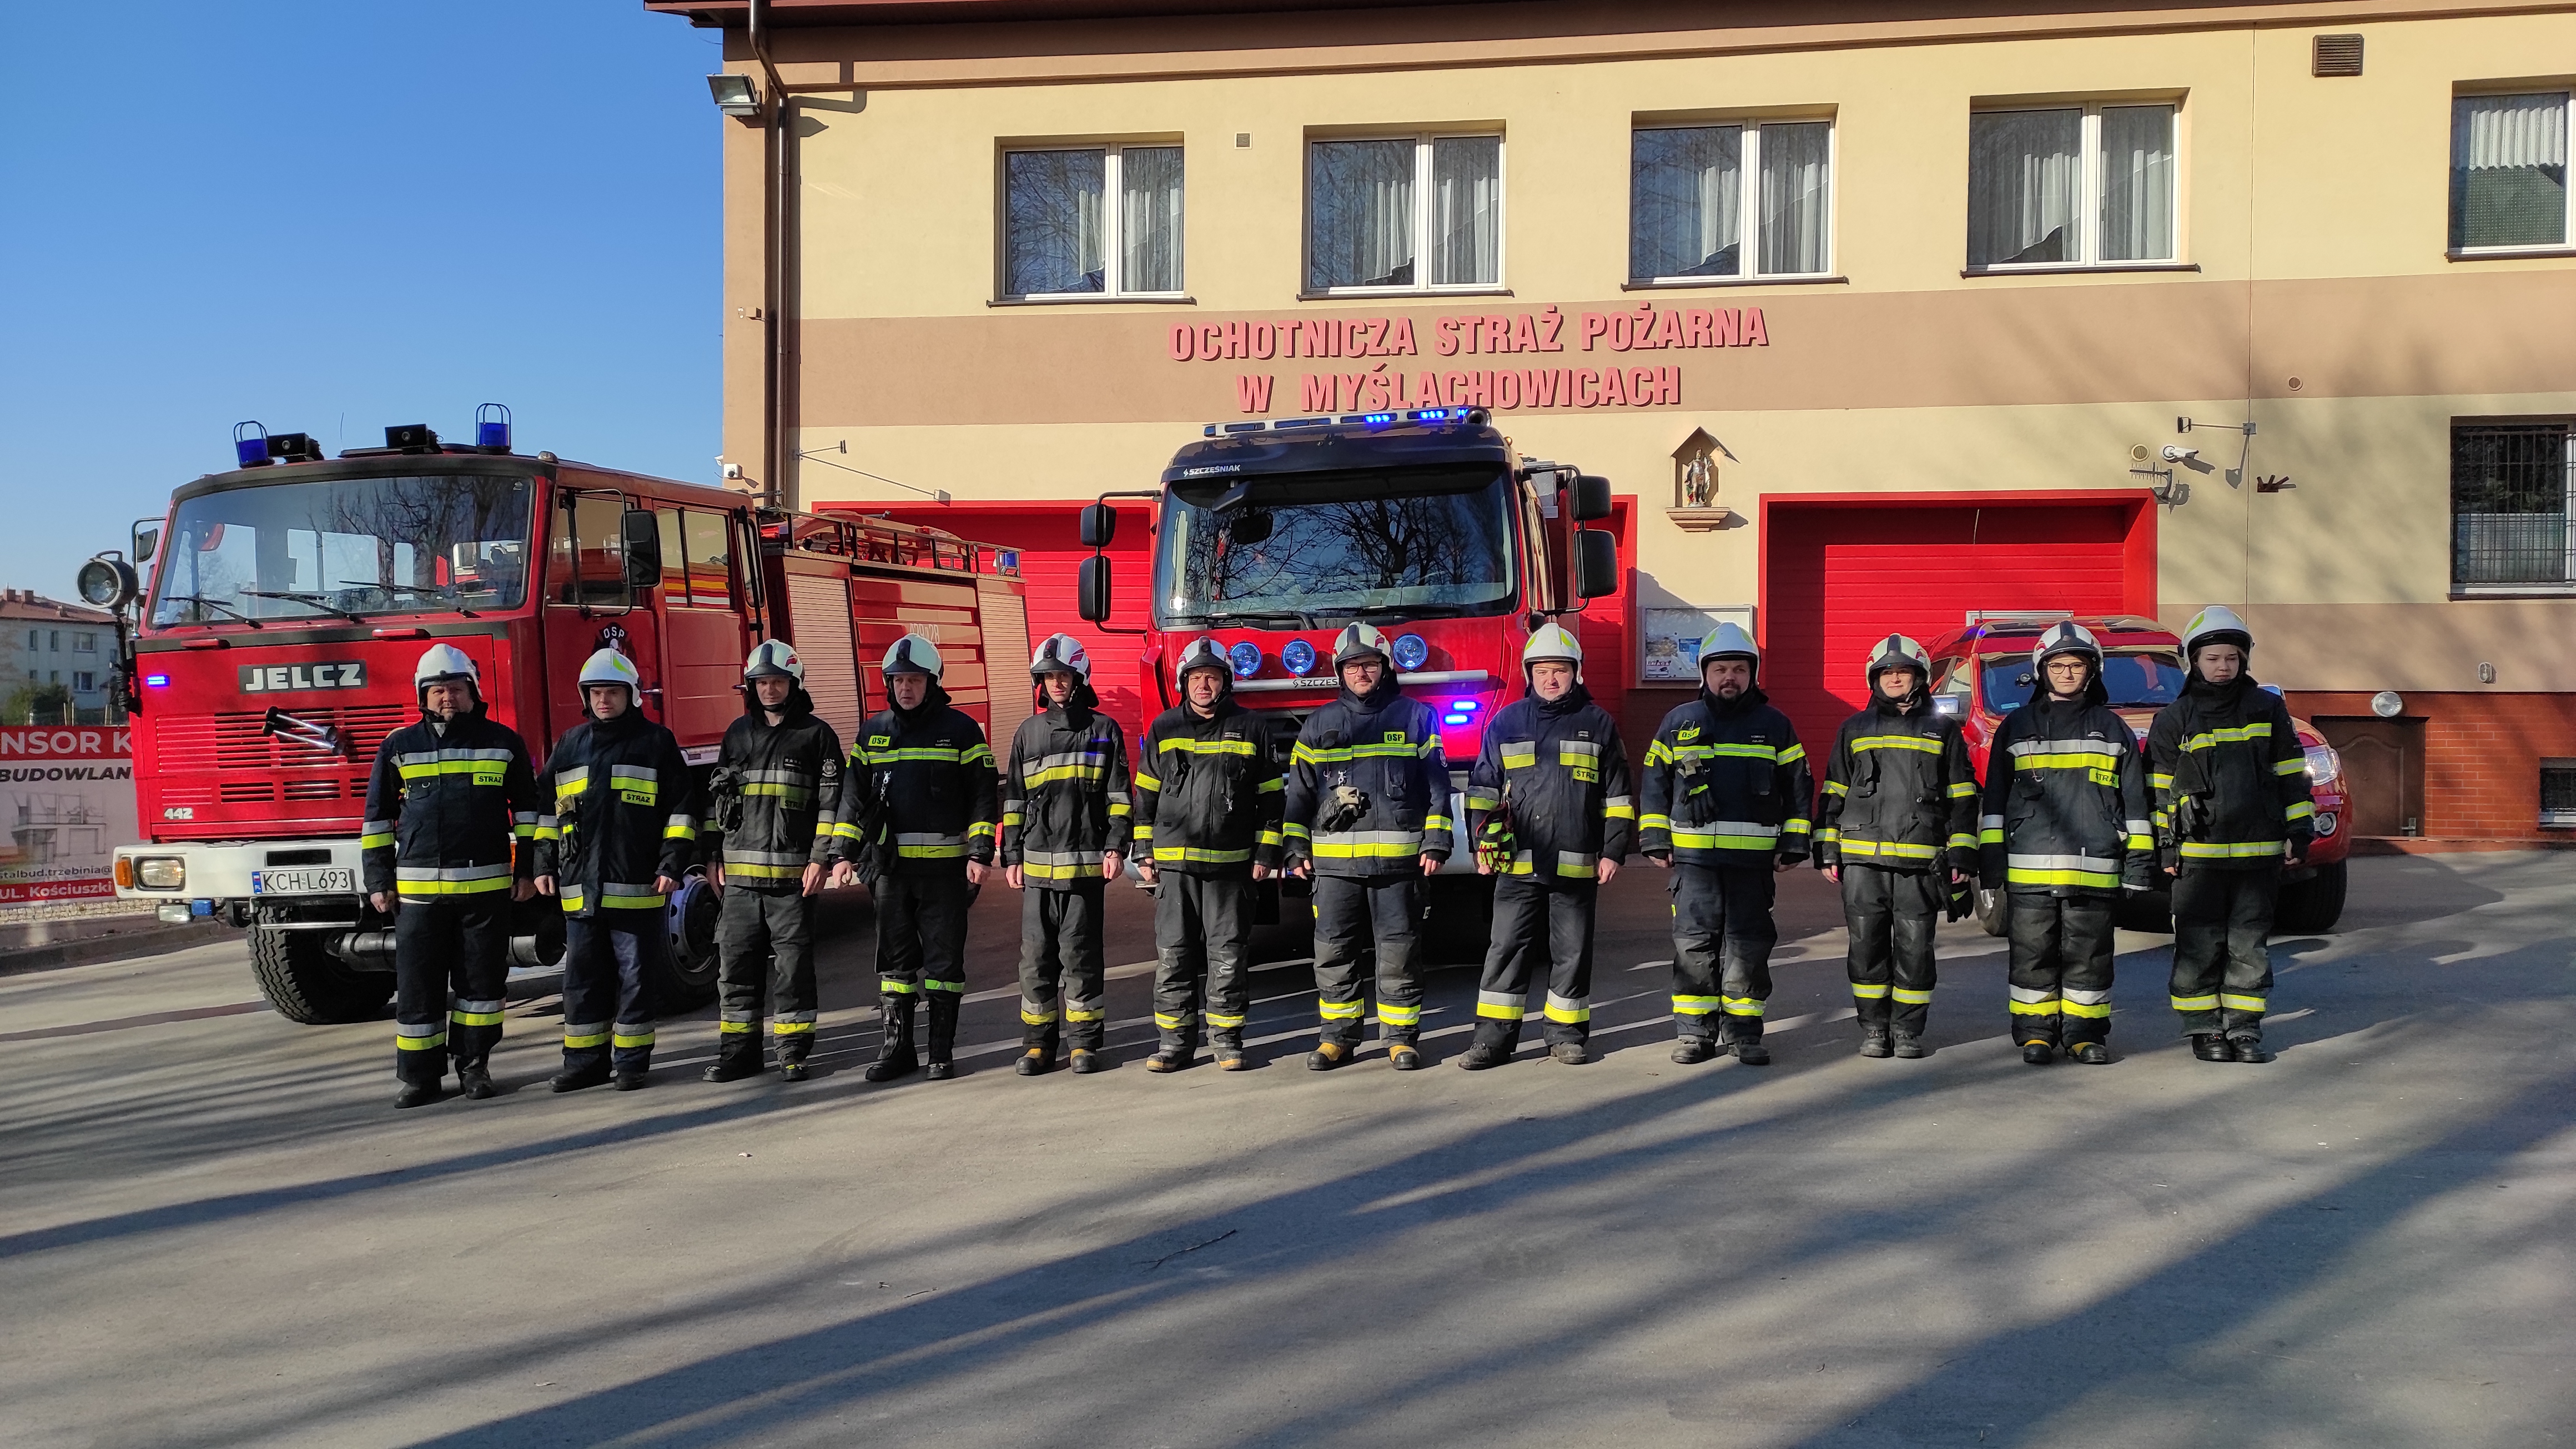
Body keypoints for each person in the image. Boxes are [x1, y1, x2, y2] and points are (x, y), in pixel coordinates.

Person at [360, 643, 542, 1108]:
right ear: (422, 695)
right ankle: (420, 1079)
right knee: (417, 988)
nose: (448, 698)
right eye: (438, 690)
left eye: (456, 689)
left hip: (486, 891)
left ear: (473, 691)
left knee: (481, 987)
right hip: (418, 896)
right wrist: (379, 881)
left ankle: (474, 1066)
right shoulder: (399, 746)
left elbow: (528, 815)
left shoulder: (504, 742)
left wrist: (527, 872)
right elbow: (377, 819)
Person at [1457, 623, 1634, 1069]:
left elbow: (1619, 797)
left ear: (1576, 673)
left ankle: (1565, 1035)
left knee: (1571, 953)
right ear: (1529, 674)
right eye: (1542, 671)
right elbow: (1482, 789)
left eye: (1560, 670)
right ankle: (1492, 1041)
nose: (1551, 679)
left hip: (1576, 866)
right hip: (1516, 865)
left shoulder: (1598, 724)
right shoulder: (1506, 722)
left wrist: (1613, 851)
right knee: (1505, 951)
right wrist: (1481, 845)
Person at [1979, 621, 2155, 1065]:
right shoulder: (2016, 727)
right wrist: (1991, 862)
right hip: (2029, 867)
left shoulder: (2112, 729)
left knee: (2089, 957)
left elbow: (2135, 803)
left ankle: (2085, 1035)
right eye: (2057, 666)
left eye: (2076, 665)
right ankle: (2035, 1035)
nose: (2067, 673)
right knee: (2031, 955)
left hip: (2094, 867)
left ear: (2092, 671)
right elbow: (1994, 801)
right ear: (2042, 670)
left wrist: (2138, 865)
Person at [1639, 623, 1812, 1065]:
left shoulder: (1775, 725)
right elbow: (1655, 782)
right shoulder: (1679, 722)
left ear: (1753, 673)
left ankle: (1744, 1033)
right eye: (1720, 669)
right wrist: (1655, 837)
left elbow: (1798, 786)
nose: (1729, 677)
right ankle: (1695, 1033)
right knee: (1694, 945)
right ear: (1705, 674)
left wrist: (1795, 841)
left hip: (1752, 863)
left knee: (1748, 947)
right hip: (1694, 862)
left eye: (1739, 669)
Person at [2147, 605, 2313, 1065]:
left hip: (2258, 854)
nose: (2223, 666)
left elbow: (2292, 775)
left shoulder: (2268, 709)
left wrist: (2299, 831)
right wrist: (2166, 848)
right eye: (2213, 658)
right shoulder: (2174, 718)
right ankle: (2204, 1029)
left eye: (2232, 658)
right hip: (2198, 857)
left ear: (2244, 660)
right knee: (2198, 946)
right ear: (2193, 661)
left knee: (2249, 946)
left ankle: (2244, 1030)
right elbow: (2158, 790)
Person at [1282, 622, 1452, 1071]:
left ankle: (1400, 1039)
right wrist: (1295, 848)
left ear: (1385, 668)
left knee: (1399, 953)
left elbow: (1438, 787)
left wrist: (1436, 840)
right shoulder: (1319, 724)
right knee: (1334, 952)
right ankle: (1337, 1038)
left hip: (1399, 866)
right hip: (1335, 869)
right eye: (1352, 666)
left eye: (1370, 665)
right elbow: (1299, 794)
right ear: (1341, 672)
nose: (1361, 673)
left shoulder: (1417, 717)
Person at [531, 648, 698, 1092]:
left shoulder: (656, 743)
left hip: (636, 886)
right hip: (580, 888)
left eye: (613, 692)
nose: (604, 700)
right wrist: (543, 862)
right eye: (597, 693)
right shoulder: (570, 744)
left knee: (636, 979)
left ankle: (631, 1063)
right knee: (582, 981)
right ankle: (584, 1063)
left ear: (632, 696)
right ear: (586, 697)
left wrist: (672, 863)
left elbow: (681, 811)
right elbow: (548, 810)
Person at [834, 635, 998, 1082]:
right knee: (895, 966)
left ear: (933, 682)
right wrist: (842, 854)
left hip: (945, 872)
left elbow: (983, 796)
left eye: (914, 680)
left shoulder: (962, 731)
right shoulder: (872, 733)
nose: (905, 688)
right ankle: (897, 1050)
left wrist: (980, 852)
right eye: (898, 680)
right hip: (890, 872)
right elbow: (852, 799)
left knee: (944, 966)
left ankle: (940, 1053)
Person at [1813, 633, 1979, 1059]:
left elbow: (1963, 796)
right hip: (1862, 862)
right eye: (1887, 672)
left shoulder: (1943, 731)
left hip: (1920, 864)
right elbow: (1833, 792)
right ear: (1874, 679)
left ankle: (1907, 1031)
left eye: (1904, 672)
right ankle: (1874, 1029)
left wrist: (1962, 852)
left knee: (1915, 949)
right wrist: (1827, 848)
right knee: (1866, 948)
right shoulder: (1853, 729)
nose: (1895, 679)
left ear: (1919, 678)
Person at [1134, 636, 1285, 1073]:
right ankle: (1174, 1045)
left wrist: (1266, 852)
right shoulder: (1164, 727)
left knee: (1228, 956)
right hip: (1175, 866)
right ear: (1184, 683)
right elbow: (1145, 796)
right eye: (1197, 677)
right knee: (1174, 956)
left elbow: (1271, 798)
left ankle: (1227, 1042)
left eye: (1212, 677)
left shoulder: (1252, 728)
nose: (1204, 685)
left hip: (1231, 866)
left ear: (1225, 682)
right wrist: (1143, 851)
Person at [701, 640, 843, 1084]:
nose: (769, 690)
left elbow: (831, 805)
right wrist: (712, 856)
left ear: (794, 684)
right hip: (740, 882)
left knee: (792, 971)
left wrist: (821, 859)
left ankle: (792, 1052)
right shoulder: (736, 734)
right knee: (735, 969)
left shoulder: (817, 736)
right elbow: (718, 799)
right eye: (761, 683)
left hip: (791, 881)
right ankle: (738, 1055)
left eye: (777, 682)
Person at [999, 635, 1132, 1076]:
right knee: (1036, 959)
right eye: (1050, 676)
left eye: (1064, 676)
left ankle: (1084, 1044)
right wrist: (1011, 855)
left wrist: (1116, 846)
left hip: (1086, 867)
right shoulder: (1028, 733)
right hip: (1037, 869)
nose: (1056, 683)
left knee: (1081, 956)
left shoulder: (1103, 730)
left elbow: (1119, 797)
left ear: (1080, 679)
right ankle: (1038, 1045)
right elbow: (1015, 800)